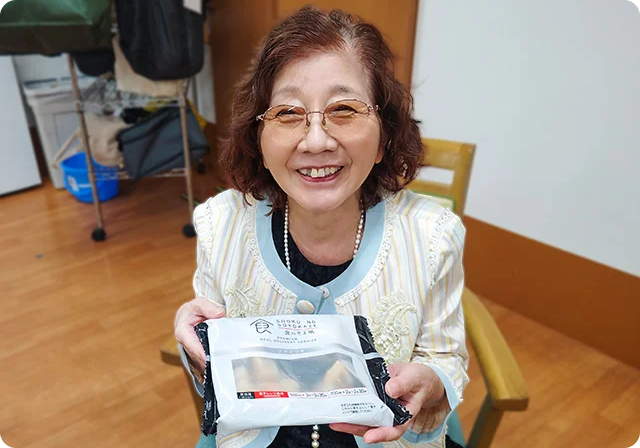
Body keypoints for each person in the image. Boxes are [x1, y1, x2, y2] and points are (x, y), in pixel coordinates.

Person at [174, 6, 468, 448]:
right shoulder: (221, 224)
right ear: (259, 137)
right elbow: (216, 370)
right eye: (288, 113)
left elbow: (445, 355)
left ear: (384, 136)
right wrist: (197, 341)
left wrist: (432, 380)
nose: (316, 141)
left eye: (344, 109)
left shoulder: (432, 235)